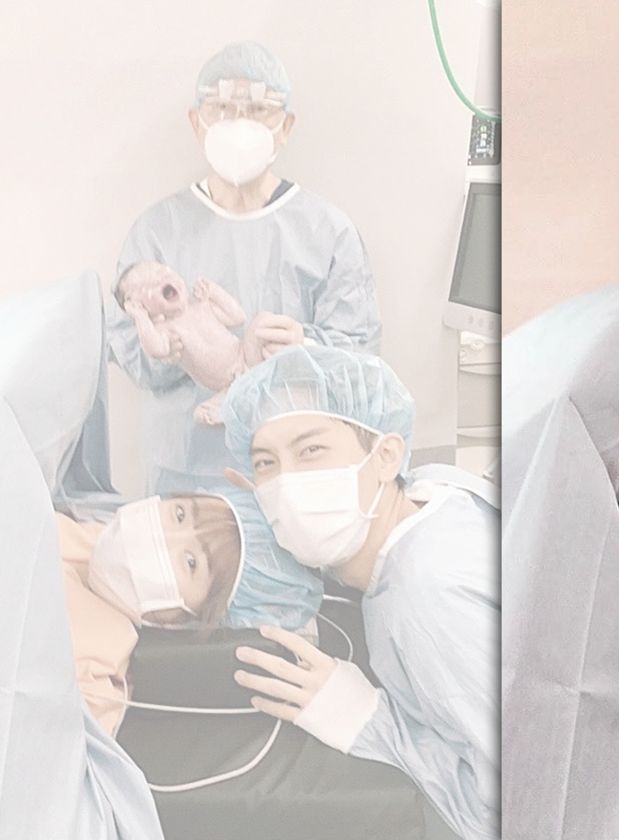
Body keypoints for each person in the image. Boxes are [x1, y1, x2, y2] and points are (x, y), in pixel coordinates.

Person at [219, 345, 498, 840]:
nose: (287, 484)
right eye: (266, 463)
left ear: (385, 455)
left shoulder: (427, 600)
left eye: (311, 451)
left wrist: (367, 719)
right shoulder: (432, 488)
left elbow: (520, 805)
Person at [110, 41, 381, 494]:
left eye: (258, 110)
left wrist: (304, 346)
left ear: (286, 126)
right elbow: (133, 354)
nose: (238, 124)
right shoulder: (157, 232)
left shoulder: (326, 231)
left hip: (295, 472)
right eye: (221, 109)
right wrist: (177, 346)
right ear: (196, 123)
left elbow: (360, 357)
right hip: (185, 476)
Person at [62, 487, 323, 737]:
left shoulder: (95, 678)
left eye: (191, 562)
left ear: (192, 621)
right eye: (179, 515)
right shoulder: (89, 534)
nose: (163, 536)